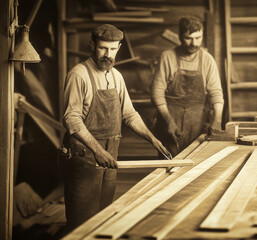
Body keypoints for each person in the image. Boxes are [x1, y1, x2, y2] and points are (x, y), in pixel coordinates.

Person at [61, 24, 170, 231]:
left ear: (119, 47)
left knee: (103, 219)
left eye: (112, 49)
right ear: (92, 45)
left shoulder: (116, 76)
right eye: (102, 48)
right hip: (85, 157)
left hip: (109, 156)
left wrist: (153, 139)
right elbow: (72, 119)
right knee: (81, 223)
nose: (107, 55)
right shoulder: (79, 75)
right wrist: (98, 151)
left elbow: (129, 115)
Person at [151, 16, 224, 156]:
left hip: (197, 121)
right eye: (188, 38)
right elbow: (156, 94)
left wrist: (217, 121)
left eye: (198, 38)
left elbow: (216, 93)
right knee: (169, 166)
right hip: (170, 118)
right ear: (179, 36)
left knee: (197, 165)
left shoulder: (207, 59)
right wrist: (169, 122)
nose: (194, 43)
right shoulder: (167, 57)